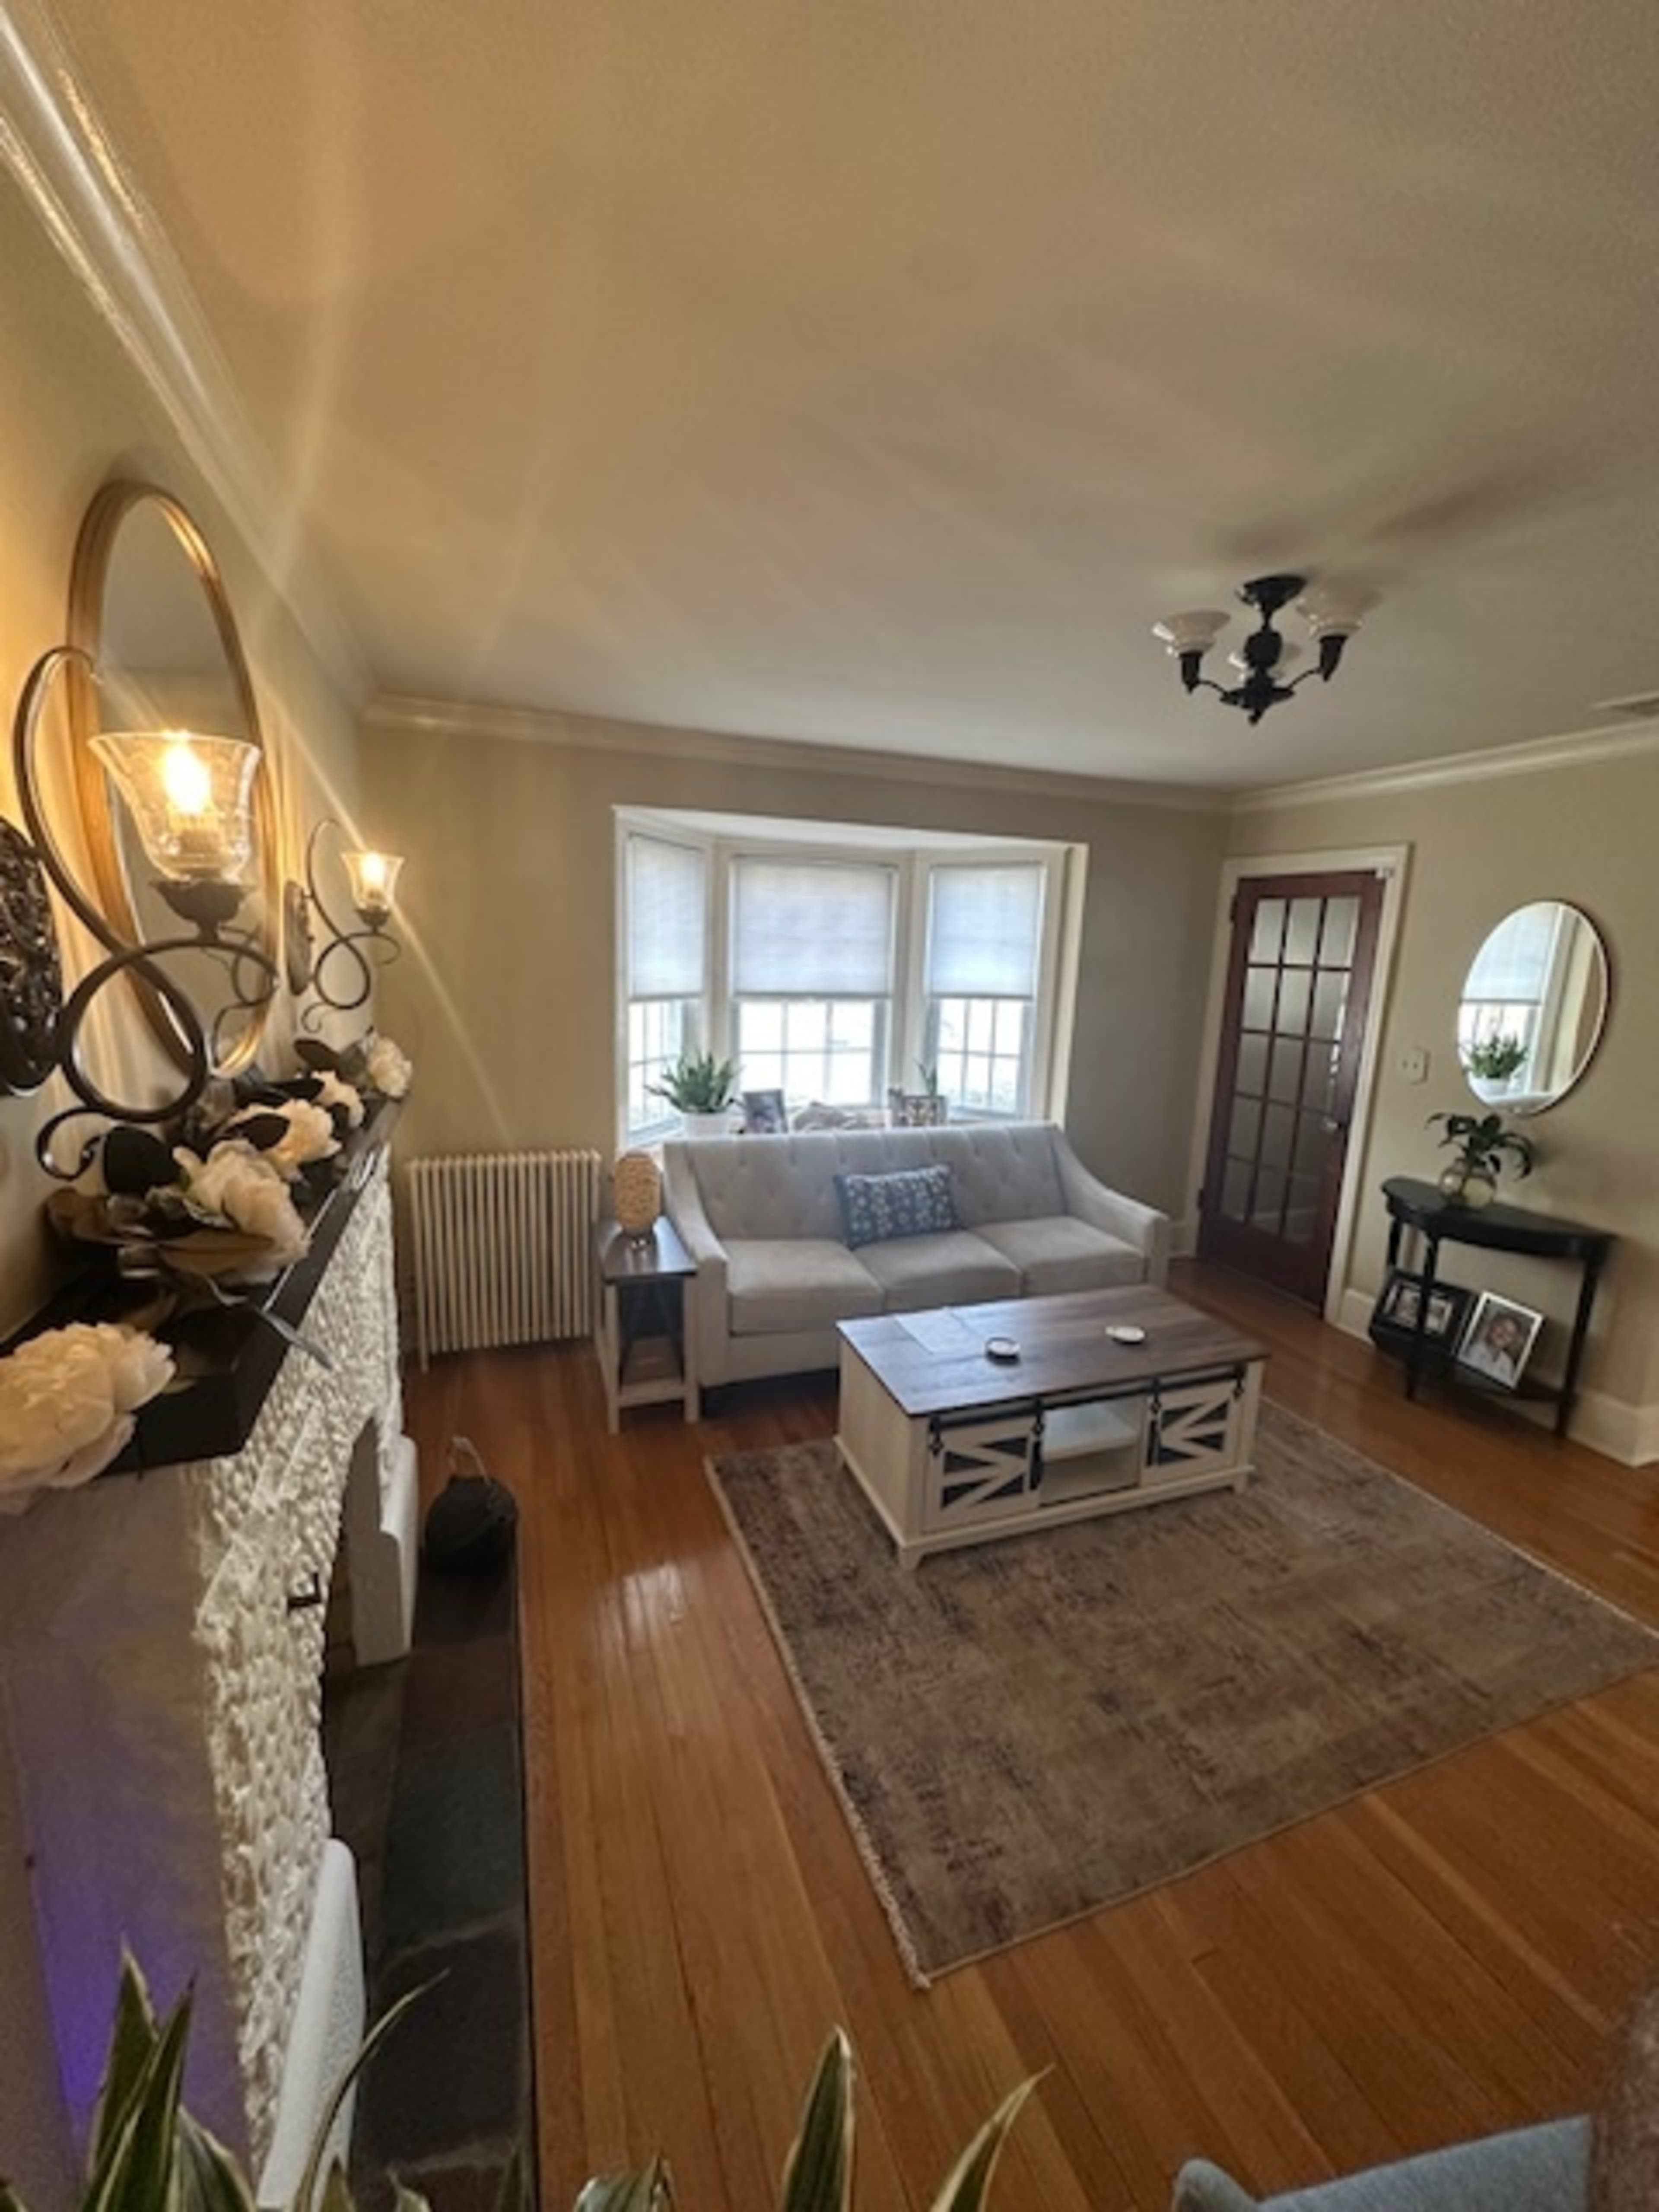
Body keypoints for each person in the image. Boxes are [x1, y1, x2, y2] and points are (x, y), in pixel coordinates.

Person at [1460, 1305, 1530, 1386]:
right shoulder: (1475, 1350)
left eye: (1510, 1334)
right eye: (1502, 1327)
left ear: (1512, 1341)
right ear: (1493, 1326)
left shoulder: (1508, 1363)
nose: (1504, 1334)